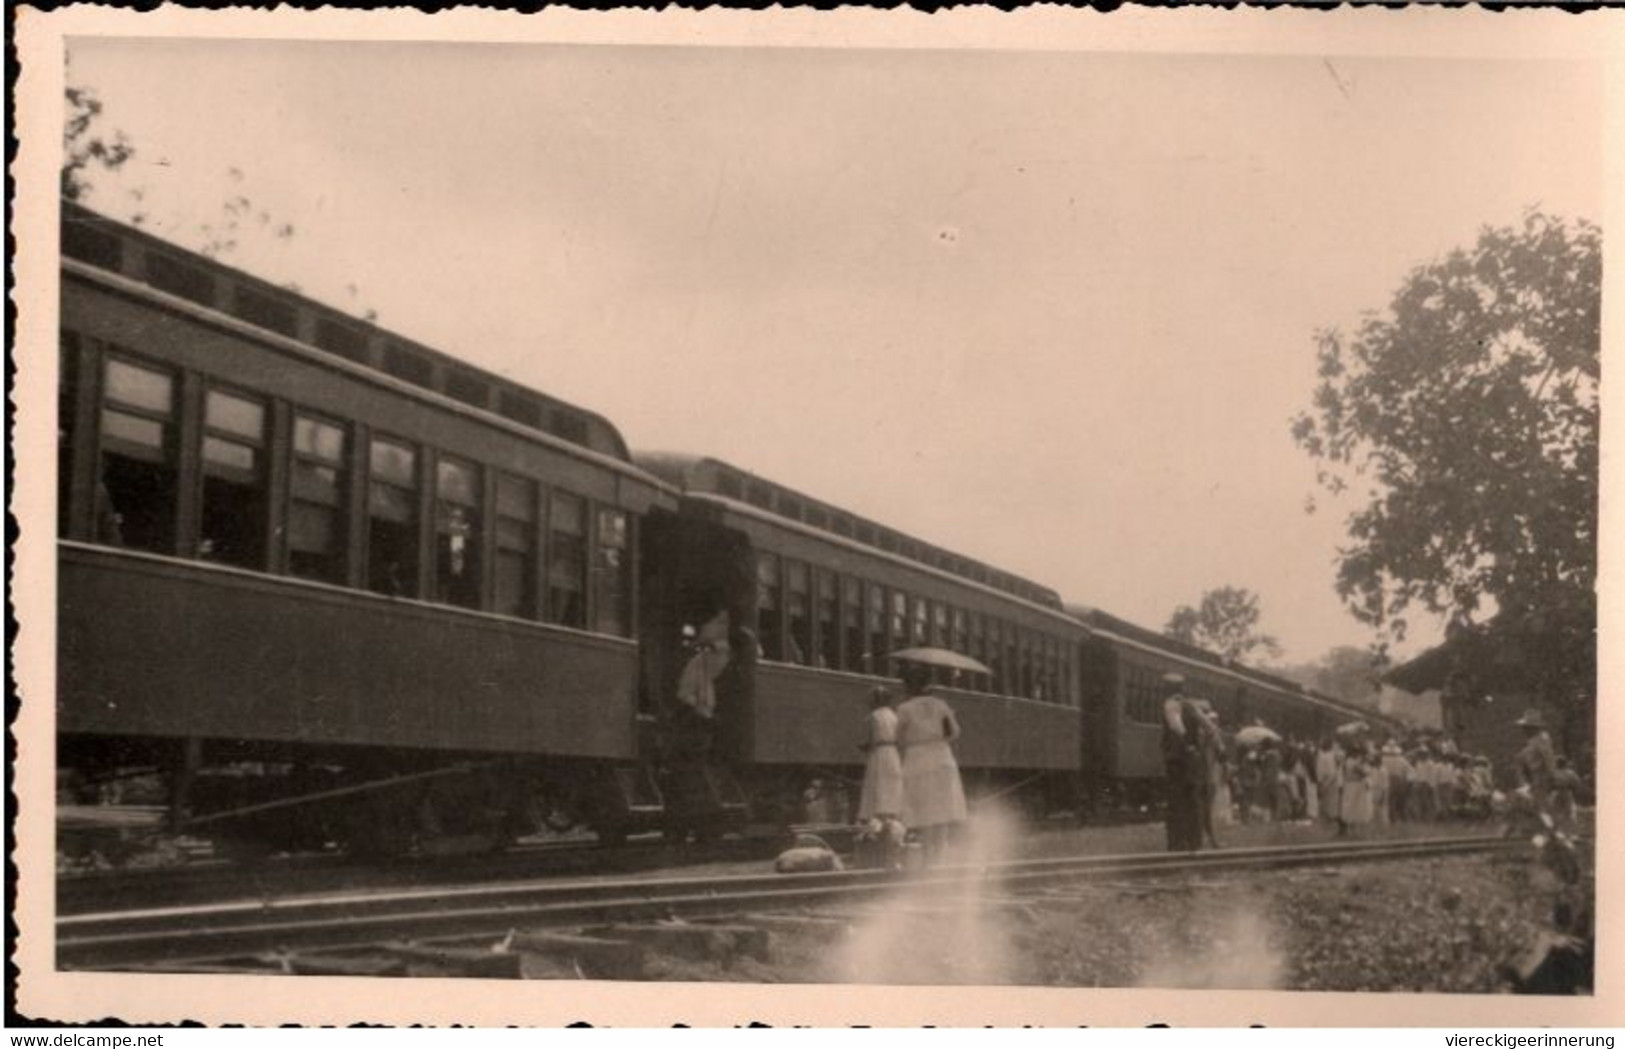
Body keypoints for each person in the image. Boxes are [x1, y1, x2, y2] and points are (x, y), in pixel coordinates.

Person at [894, 660, 967, 865]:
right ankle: (940, 856)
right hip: (942, 757)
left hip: (917, 759)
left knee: (923, 809)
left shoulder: (904, 708)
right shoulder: (941, 705)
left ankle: (928, 858)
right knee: (942, 809)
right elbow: (954, 733)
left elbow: (897, 737)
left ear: (908, 686)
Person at [673, 609, 733, 759]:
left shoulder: (727, 638)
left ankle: (699, 706)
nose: (723, 623)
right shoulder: (713, 629)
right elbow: (704, 639)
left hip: (716, 661)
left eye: (725, 621)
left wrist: (714, 645)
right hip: (708, 662)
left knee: (700, 669)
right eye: (721, 620)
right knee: (698, 668)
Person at [1158, 674, 1203, 851]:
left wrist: (1186, 745)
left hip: (1177, 759)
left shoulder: (1170, 704)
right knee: (1192, 800)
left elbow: (1177, 727)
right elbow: (1209, 726)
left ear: (1168, 688)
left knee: (1176, 801)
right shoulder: (1191, 706)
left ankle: (1177, 843)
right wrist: (1195, 748)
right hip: (1192, 761)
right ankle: (1194, 842)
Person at [856, 686, 904, 825]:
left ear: (877, 700)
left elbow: (870, 739)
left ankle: (877, 819)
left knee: (876, 784)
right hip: (893, 753)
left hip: (878, 753)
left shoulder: (873, 716)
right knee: (891, 785)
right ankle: (892, 818)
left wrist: (863, 746)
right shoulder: (894, 716)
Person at [1514, 709, 1558, 810]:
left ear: (1532, 728)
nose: (1524, 730)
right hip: (1534, 775)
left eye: (1526, 727)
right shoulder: (1533, 740)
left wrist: (1552, 775)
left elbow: (1548, 757)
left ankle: (1550, 824)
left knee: (1541, 805)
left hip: (1542, 775)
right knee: (1536, 804)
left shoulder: (1541, 739)